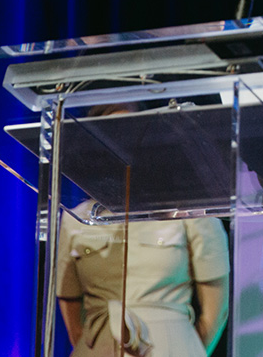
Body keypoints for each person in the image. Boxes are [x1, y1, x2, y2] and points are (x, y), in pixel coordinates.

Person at [56, 107, 230, 357]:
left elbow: (216, 311)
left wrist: (183, 347)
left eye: (130, 136)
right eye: (110, 137)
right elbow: (70, 306)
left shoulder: (189, 213)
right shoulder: (76, 219)